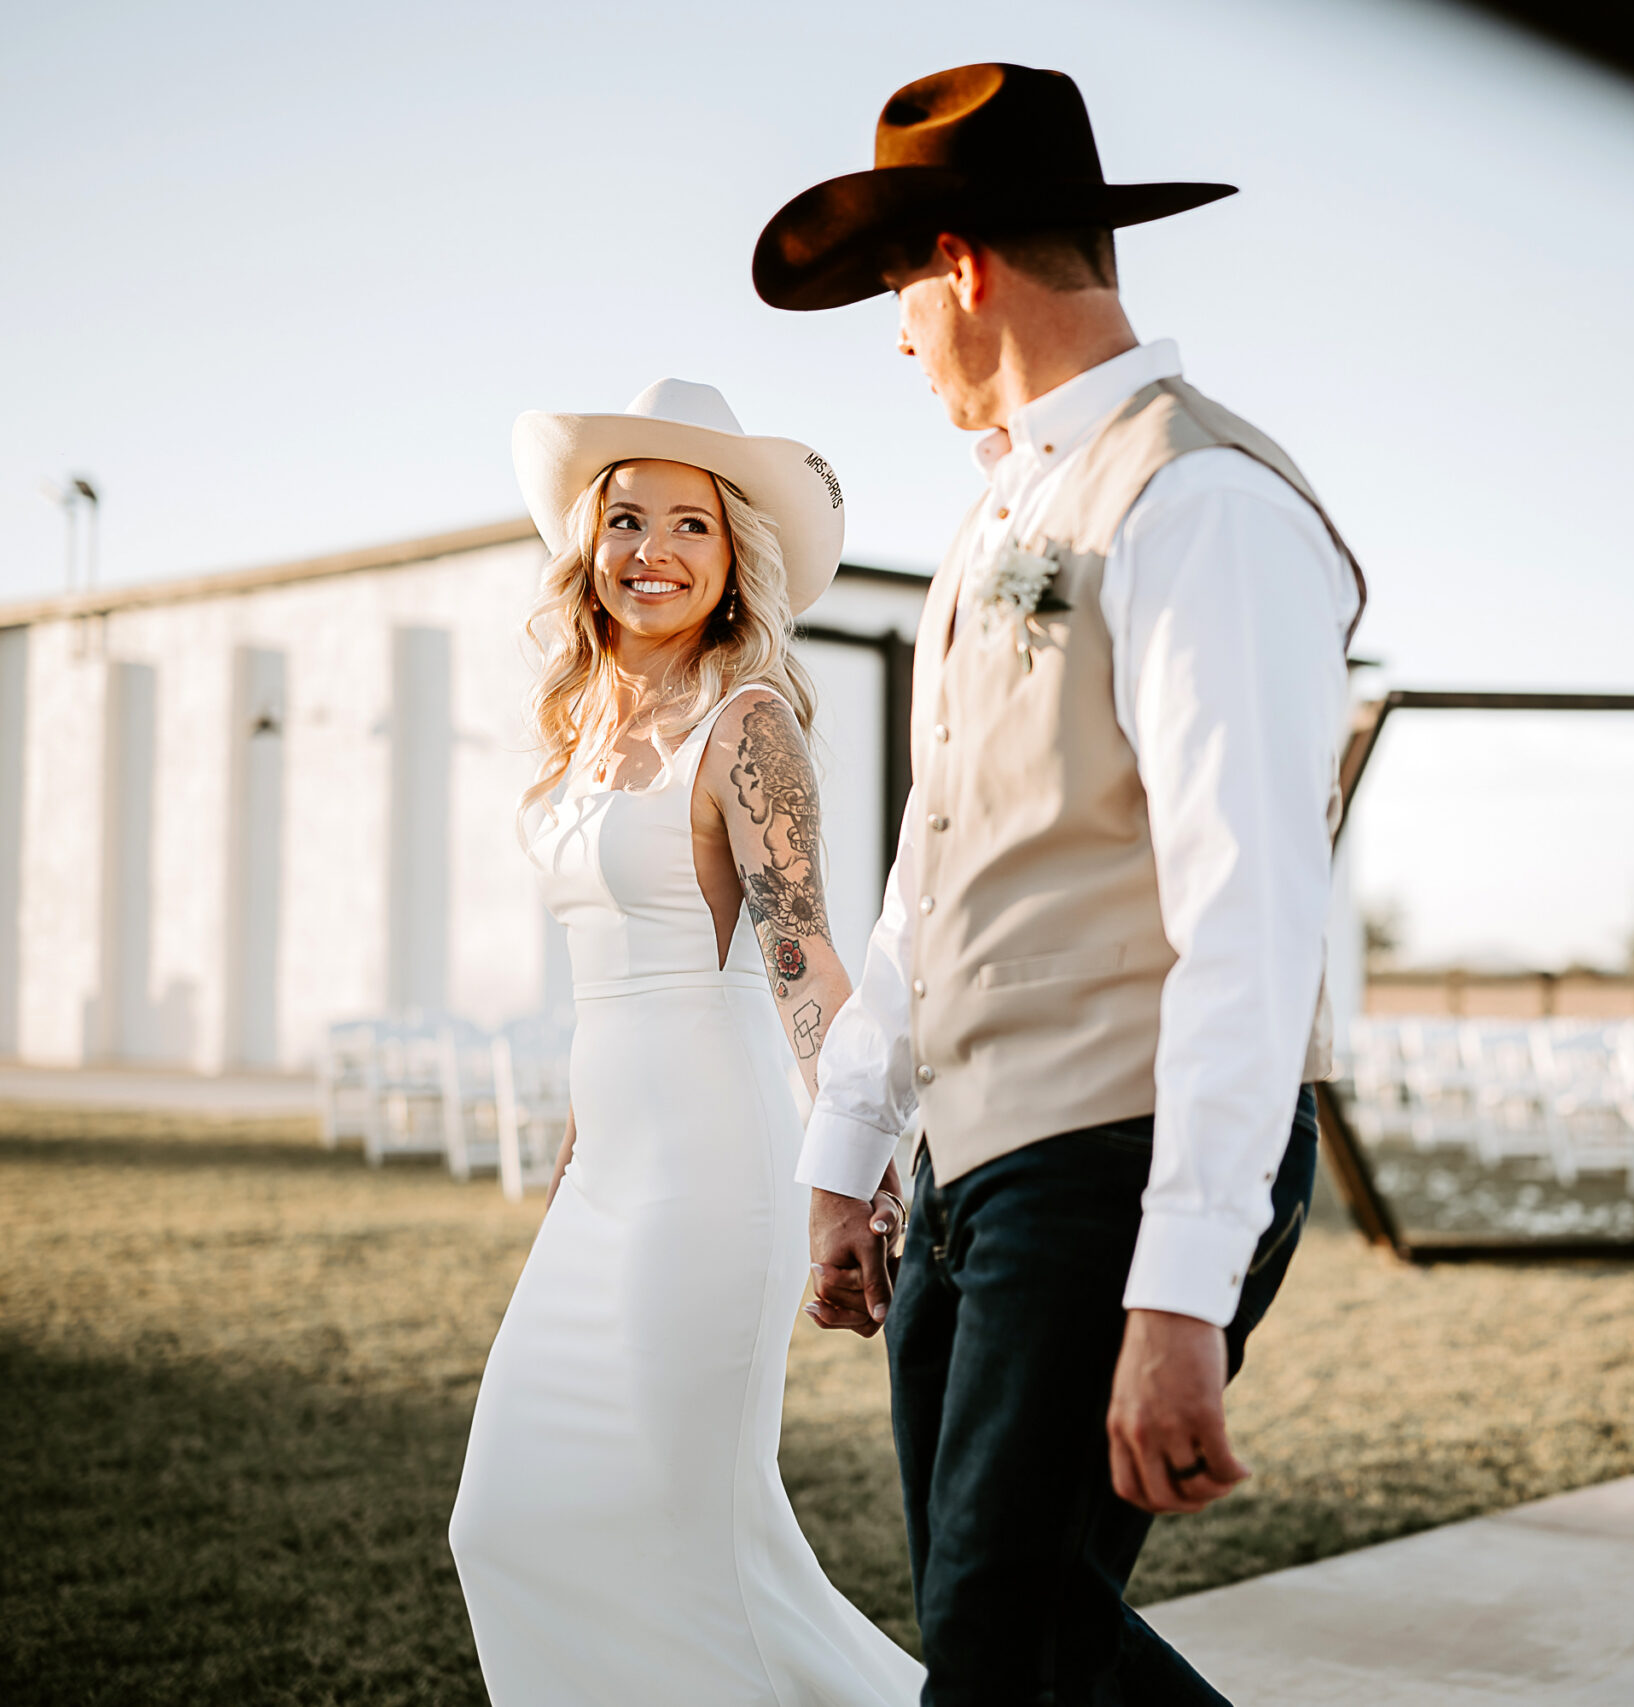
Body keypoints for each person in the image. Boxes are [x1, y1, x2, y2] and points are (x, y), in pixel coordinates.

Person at [755, 63, 1367, 1706]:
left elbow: (1251, 916)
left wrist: (1178, 1292)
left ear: (958, 267)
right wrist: (853, 1149)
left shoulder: (1205, 501)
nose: (893, 333)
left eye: (894, 287)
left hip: (1121, 1152)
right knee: (1014, 1636)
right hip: (975, 1166)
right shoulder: (991, 520)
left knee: (1000, 1650)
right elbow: (934, 870)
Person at [449, 378, 922, 1706]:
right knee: (506, 1522)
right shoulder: (582, 733)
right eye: (625, 521)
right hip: (602, 1182)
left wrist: (858, 1158)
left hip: (715, 1177)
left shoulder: (748, 726)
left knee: (685, 1549)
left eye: (689, 527)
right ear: (588, 551)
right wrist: (569, 1159)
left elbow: (804, 963)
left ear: (733, 562)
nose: (650, 550)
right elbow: (607, 991)